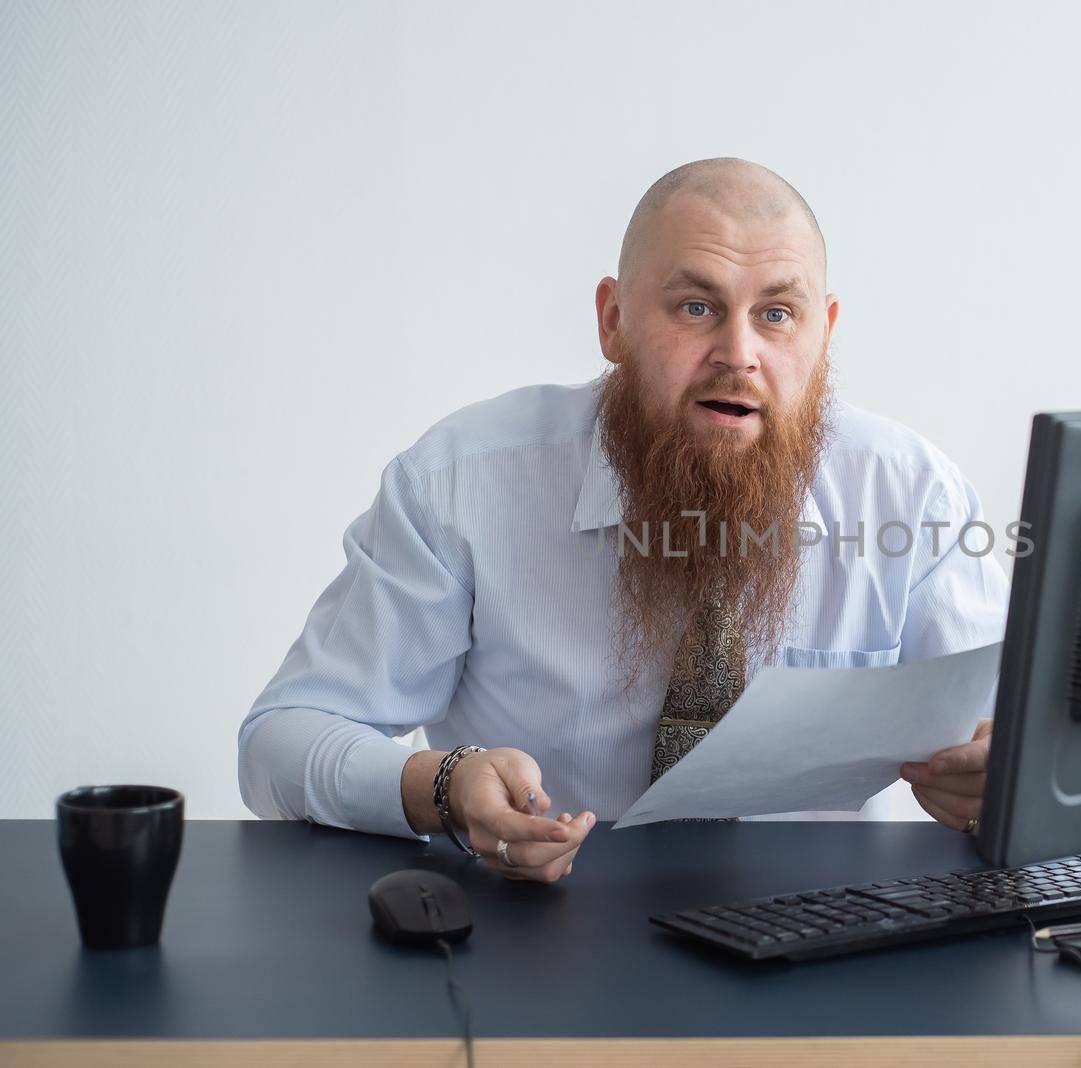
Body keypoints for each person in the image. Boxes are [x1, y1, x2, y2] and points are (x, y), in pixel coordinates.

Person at [239, 157, 1010, 883]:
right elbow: (281, 739)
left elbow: (1022, 740)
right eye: (696, 307)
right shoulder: (459, 484)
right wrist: (440, 786)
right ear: (612, 321)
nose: (738, 354)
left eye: (777, 313)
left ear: (824, 335)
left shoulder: (912, 498)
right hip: (543, 933)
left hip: (824, 950)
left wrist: (1001, 782)